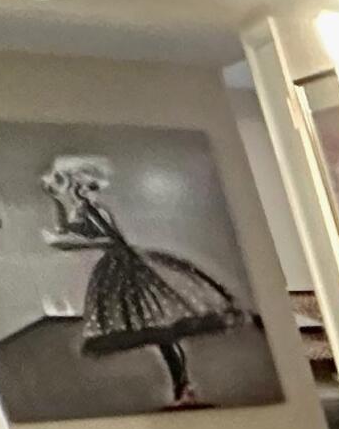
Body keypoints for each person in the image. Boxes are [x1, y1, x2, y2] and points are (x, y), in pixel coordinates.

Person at [43, 155, 246, 410]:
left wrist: (67, 242)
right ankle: (183, 388)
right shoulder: (83, 210)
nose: (84, 190)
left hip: (129, 265)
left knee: (164, 331)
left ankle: (183, 388)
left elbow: (105, 240)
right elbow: (63, 228)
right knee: (162, 334)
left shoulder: (95, 210)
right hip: (120, 267)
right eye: (79, 186)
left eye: (86, 186)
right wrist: (53, 200)